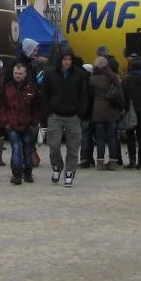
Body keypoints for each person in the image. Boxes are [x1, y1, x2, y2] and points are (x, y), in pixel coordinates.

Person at [41, 48, 89, 187]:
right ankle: (57, 166)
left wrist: (80, 112)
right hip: (55, 114)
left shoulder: (79, 75)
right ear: (60, 60)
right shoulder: (50, 74)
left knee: (73, 147)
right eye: (65, 59)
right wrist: (47, 111)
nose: (67, 62)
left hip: (73, 115)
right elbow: (44, 94)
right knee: (54, 145)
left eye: (69, 59)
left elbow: (83, 94)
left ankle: (70, 172)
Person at [0, 59, 40, 185]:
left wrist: (35, 122)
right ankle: (17, 174)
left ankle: (27, 173)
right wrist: (5, 122)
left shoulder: (32, 89)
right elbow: (2, 107)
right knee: (16, 149)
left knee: (27, 150)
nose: (17, 75)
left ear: (25, 74)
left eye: (20, 73)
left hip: (28, 124)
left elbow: (37, 107)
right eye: (16, 73)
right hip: (12, 124)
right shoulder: (7, 88)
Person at [89, 56, 124, 171]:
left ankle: (100, 162)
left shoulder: (93, 80)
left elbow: (90, 94)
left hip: (98, 110)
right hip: (112, 110)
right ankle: (113, 162)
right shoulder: (114, 78)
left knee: (100, 139)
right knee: (112, 138)